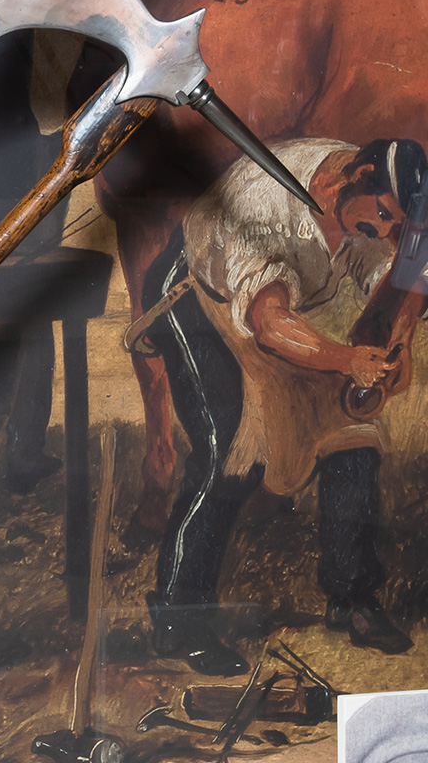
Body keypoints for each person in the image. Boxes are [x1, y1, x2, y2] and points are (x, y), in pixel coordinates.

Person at [141, 138, 425, 676]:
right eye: (384, 216)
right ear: (353, 178)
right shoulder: (263, 208)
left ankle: (352, 598)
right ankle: (179, 620)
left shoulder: (366, 197)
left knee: (353, 441)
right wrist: (345, 359)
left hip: (277, 315)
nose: (386, 231)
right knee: (230, 450)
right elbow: (269, 324)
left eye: (398, 225)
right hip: (201, 298)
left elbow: (400, 276)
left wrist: (401, 333)